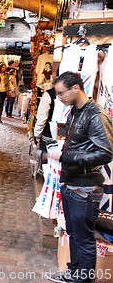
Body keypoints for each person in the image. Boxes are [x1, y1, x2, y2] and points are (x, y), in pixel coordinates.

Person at [45, 72, 113, 283]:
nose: (59, 98)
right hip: (72, 183)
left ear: (76, 88)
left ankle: (82, 279)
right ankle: (73, 272)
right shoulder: (75, 111)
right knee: (73, 233)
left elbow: (107, 152)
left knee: (84, 239)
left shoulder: (96, 115)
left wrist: (66, 156)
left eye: (61, 93)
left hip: (85, 188)